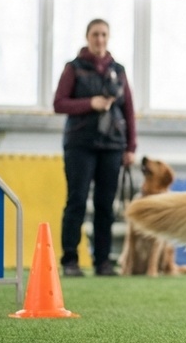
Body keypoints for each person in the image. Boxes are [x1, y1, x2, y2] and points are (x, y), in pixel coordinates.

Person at [53, 18, 137, 276]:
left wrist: (131, 147)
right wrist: (91, 103)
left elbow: (128, 110)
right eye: (95, 34)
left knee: (105, 205)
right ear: (87, 37)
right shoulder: (74, 68)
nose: (100, 39)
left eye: (103, 34)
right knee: (77, 201)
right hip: (80, 144)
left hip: (112, 145)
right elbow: (59, 103)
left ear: (108, 38)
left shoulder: (118, 70)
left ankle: (103, 261)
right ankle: (70, 260)